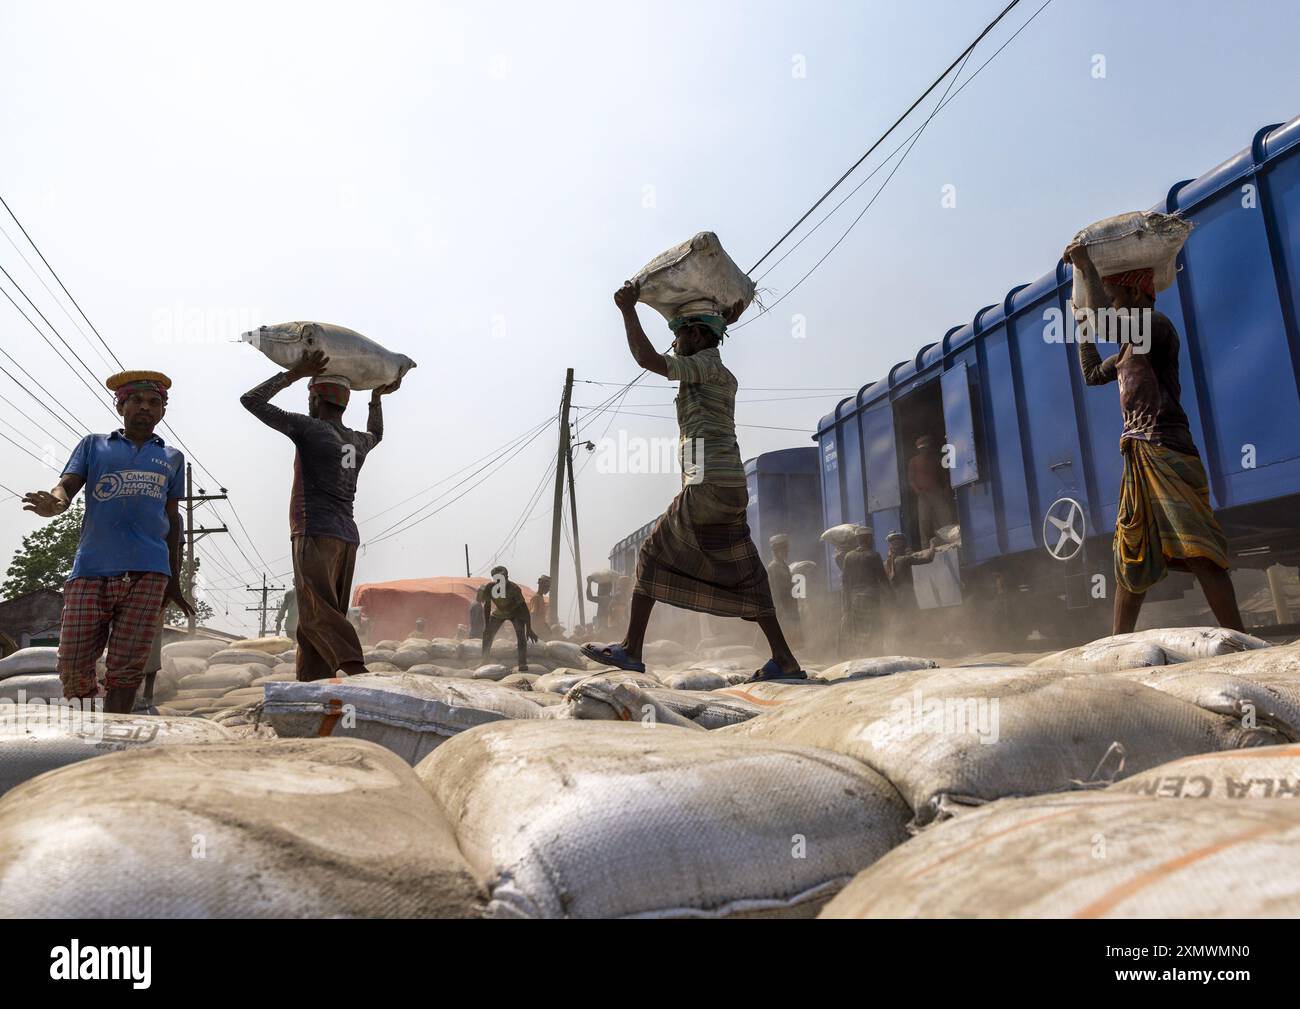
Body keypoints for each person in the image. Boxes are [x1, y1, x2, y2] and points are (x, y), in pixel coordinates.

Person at [583, 281, 803, 682]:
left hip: (705, 484)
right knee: (750, 574)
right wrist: (724, 318)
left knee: (650, 555)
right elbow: (696, 347)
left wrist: (628, 310)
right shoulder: (717, 370)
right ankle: (784, 660)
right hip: (732, 487)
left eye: (679, 334)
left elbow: (647, 358)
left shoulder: (703, 365)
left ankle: (632, 649)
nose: (674, 344)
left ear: (697, 336)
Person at [1064, 243, 1243, 634]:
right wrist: (1081, 328)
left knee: (1199, 551)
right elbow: (1092, 374)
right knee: (1130, 557)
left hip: (1167, 450)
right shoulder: (1129, 348)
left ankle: (1239, 638)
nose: (1109, 307)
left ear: (1134, 294)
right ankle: (1118, 645)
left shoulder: (1156, 328)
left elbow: (1108, 326)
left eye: (1112, 298)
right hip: (1139, 456)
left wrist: (1084, 265)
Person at [21, 370, 194, 713]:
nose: (145, 408)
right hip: (92, 567)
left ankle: (114, 735)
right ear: (121, 406)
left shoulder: (172, 458)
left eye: (154, 402)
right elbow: (66, 485)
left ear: (162, 411)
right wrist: (55, 503)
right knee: (72, 661)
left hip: (149, 571)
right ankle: (86, 727)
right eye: (136, 401)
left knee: (127, 667)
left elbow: (173, 519)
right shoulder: (94, 445)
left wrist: (174, 580)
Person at [241, 348, 401, 680]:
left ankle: (358, 671)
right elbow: (378, 434)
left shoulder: (309, 429)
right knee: (314, 622)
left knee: (316, 614)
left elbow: (251, 400)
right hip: (346, 538)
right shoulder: (356, 441)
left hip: (314, 530)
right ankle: (311, 683)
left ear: (315, 400)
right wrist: (375, 398)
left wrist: (294, 373)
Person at [840, 526, 890, 656]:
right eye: (871, 538)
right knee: (874, 628)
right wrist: (893, 597)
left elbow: (845, 583)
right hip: (871, 598)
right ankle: (875, 654)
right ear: (868, 539)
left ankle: (862, 655)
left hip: (855, 600)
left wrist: (846, 605)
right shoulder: (874, 555)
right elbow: (883, 580)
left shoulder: (848, 557)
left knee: (859, 629)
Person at [478, 565, 538, 671]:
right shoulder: (490, 588)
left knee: (521, 634)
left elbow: (524, 609)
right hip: (499, 612)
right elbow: (487, 606)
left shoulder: (514, 589)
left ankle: (522, 663)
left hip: (516, 613)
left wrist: (529, 628)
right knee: (487, 634)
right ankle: (484, 660)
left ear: (507, 577)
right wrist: (487, 625)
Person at [908, 435, 956, 546]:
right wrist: (918, 491)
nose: (924, 451)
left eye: (925, 448)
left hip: (937, 493)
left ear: (929, 447)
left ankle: (950, 541)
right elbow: (911, 480)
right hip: (923, 496)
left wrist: (945, 489)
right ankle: (925, 547)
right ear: (918, 449)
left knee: (945, 518)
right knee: (924, 522)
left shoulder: (936, 459)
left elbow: (943, 476)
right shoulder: (913, 461)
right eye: (921, 449)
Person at [766, 533, 802, 645]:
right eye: (784, 549)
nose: (787, 552)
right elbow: (775, 591)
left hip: (790, 608)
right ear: (776, 550)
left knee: (794, 638)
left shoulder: (784, 566)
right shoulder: (774, 567)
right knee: (787, 638)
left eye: (786, 549)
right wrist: (781, 611)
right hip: (784, 610)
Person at [530, 575, 553, 640]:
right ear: (542, 586)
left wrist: (547, 627)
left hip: (541, 631)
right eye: (547, 587)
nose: (548, 589)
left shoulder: (541, 598)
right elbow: (533, 616)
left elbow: (541, 617)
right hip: (538, 632)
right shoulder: (536, 598)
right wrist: (534, 632)